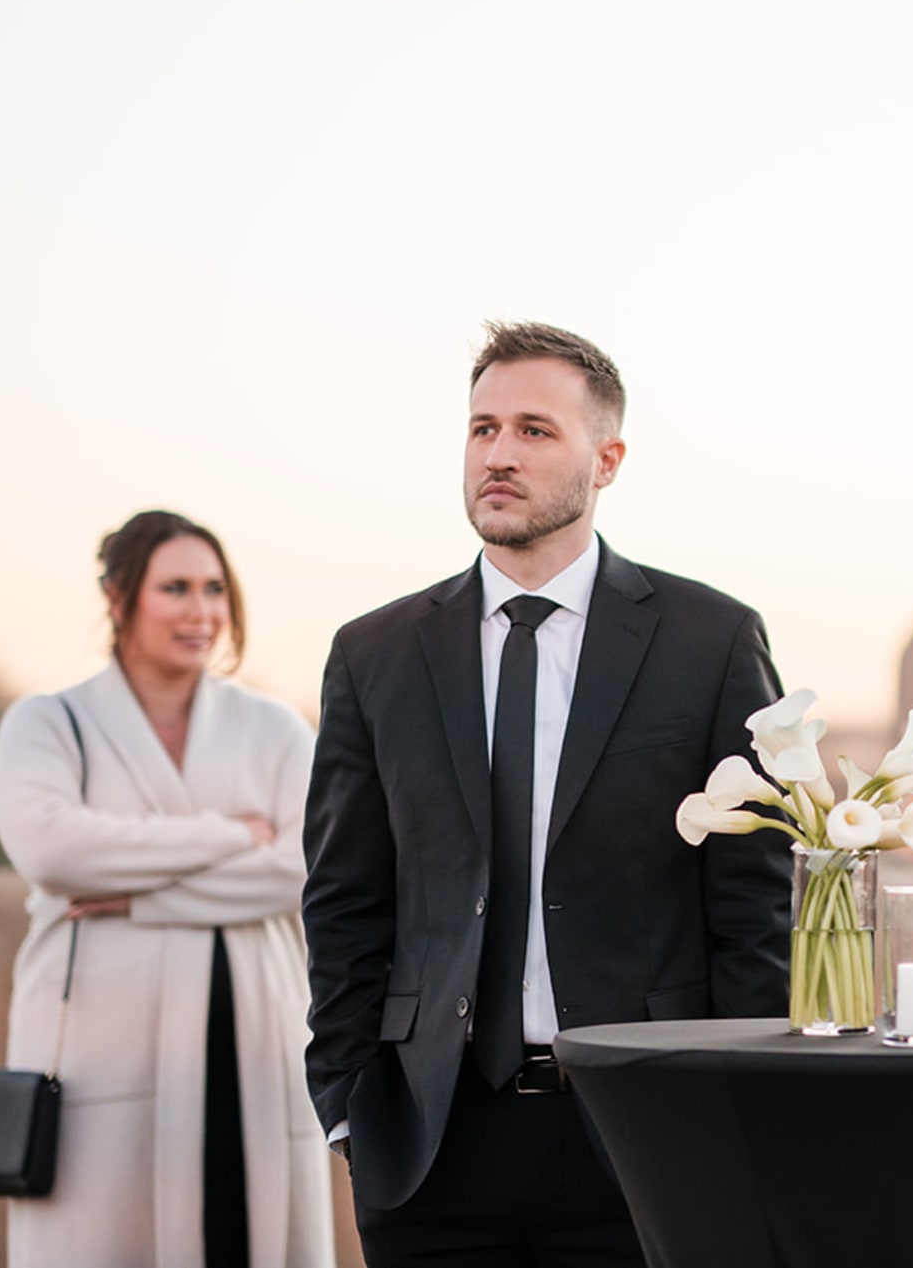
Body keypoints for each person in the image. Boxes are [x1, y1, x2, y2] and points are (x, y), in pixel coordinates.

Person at [303, 321, 790, 1266]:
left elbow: (754, 899)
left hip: (647, 1134)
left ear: (605, 459)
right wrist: (346, 1103)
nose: (498, 454)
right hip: (430, 1140)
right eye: (482, 428)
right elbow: (344, 896)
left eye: (534, 430)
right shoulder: (375, 653)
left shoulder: (711, 640)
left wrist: (732, 1108)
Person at [0, 510, 334, 1268]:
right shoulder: (48, 724)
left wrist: (142, 897)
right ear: (119, 597)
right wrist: (227, 834)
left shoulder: (274, 729)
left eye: (214, 588)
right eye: (175, 587)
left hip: (252, 1046)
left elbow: (309, 866)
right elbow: (55, 852)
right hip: (96, 1058)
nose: (201, 610)